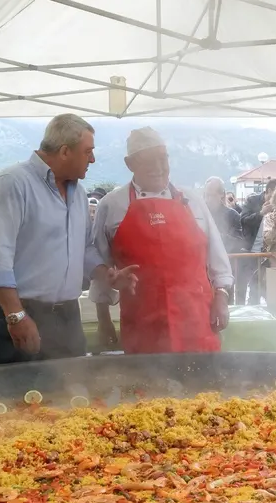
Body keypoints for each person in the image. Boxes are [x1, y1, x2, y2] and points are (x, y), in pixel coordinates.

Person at [0, 113, 135, 366]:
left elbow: (83, 248)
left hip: (67, 318)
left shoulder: (79, 193)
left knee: (69, 396)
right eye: (88, 152)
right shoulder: (12, 184)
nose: (92, 159)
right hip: (21, 313)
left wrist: (107, 275)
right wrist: (16, 315)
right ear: (64, 152)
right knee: (15, 399)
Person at [91, 127, 233, 354]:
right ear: (130, 164)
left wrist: (222, 297)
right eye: (148, 161)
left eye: (162, 159)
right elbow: (99, 265)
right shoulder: (111, 205)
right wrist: (103, 319)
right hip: (143, 324)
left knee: (203, 386)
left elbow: (218, 258)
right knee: (149, 386)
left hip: (196, 319)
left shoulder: (193, 200)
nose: (158, 168)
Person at [238, 178, 276, 304]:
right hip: (251, 251)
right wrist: (261, 213)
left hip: (270, 253)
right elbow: (243, 220)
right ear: (269, 191)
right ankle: (246, 311)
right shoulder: (253, 201)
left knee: (265, 286)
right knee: (248, 283)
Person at [204, 176, 246, 256]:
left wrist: (218, 236)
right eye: (206, 195)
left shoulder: (232, 215)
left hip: (226, 262)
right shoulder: (201, 214)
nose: (207, 199)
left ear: (222, 195)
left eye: (211, 195)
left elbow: (238, 242)